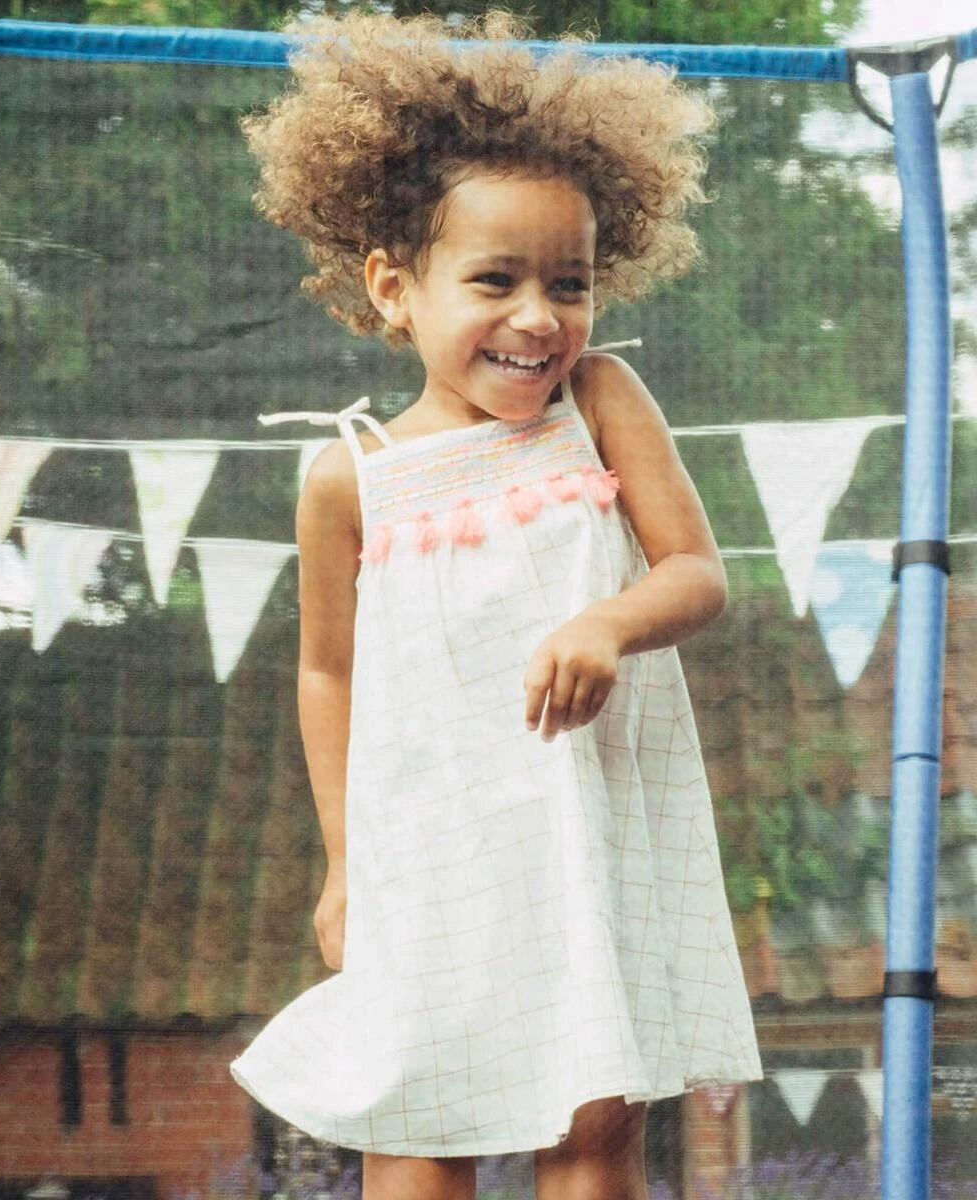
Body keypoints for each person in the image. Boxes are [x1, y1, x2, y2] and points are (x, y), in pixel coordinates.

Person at [229, 12, 763, 1200]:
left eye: (567, 284)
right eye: (494, 280)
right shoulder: (348, 477)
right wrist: (344, 862)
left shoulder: (603, 399)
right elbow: (329, 673)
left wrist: (605, 623)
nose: (538, 317)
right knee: (420, 1124)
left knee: (591, 1128)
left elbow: (695, 572)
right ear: (391, 288)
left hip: (586, 824)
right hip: (428, 847)